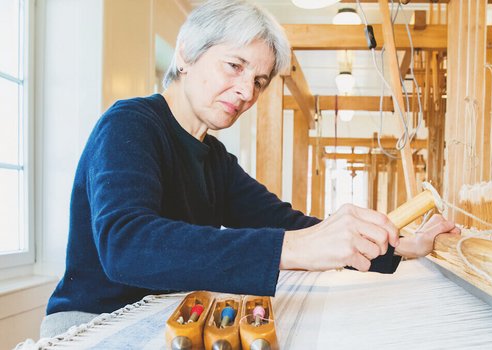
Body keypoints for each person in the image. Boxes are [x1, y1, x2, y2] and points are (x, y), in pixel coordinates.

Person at [40, 0, 459, 338]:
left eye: (259, 81)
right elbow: (126, 244)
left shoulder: (214, 159)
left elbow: (294, 226)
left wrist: (400, 246)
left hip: (170, 321)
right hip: (93, 327)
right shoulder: (129, 123)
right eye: (234, 66)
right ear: (186, 54)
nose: (245, 92)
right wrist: (295, 249)